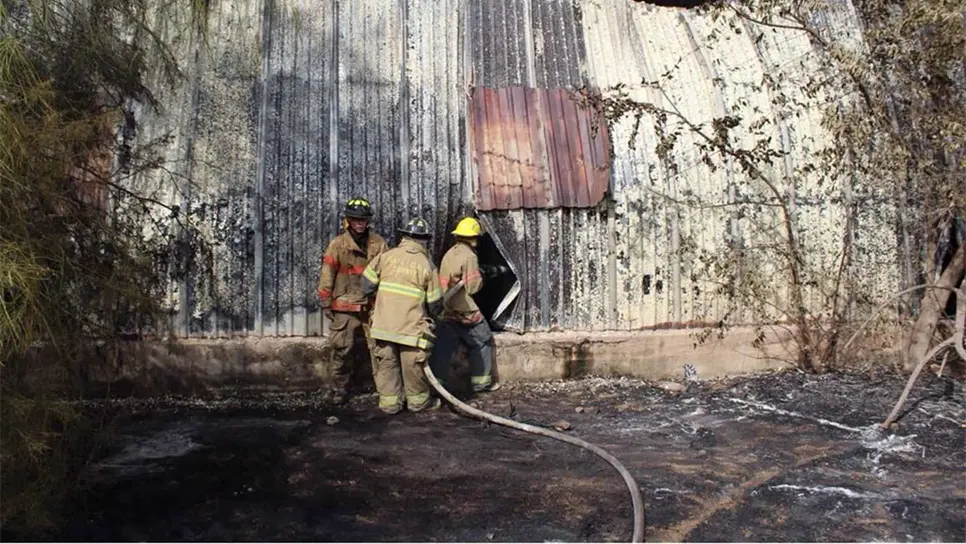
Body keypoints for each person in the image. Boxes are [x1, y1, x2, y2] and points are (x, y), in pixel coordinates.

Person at [362, 217, 444, 414]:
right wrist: (436, 319)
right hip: (411, 329)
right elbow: (435, 303)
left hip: (383, 327)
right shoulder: (427, 265)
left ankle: (390, 405)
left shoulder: (385, 257)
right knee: (412, 367)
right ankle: (418, 403)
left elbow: (366, 285)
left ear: (404, 236)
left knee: (386, 366)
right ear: (424, 240)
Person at [317, 197, 388, 405]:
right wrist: (325, 300)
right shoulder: (337, 245)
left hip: (371, 305)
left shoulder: (379, 243)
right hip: (344, 306)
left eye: (363, 220)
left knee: (380, 349)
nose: (360, 223)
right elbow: (327, 274)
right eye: (355, 219)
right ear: (348, 220)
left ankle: (386, 391)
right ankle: (339, 389)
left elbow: (386, 272)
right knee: (341, 349)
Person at [428, 217, 508, 394]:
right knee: (483, 339)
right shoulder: (470, 256)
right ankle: (482, 383)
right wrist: (481, 277)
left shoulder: (450, 253)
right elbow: (472, 287)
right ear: (474, 237)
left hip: (446, 307)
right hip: (464, 307)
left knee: (443, 346)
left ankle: (437, 384)